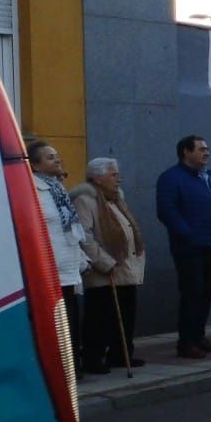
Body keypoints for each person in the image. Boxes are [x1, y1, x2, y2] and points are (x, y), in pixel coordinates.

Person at [156, 134, 211, 359]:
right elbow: (167, 211)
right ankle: (186, 342)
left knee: (207, 293)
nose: (206, 153)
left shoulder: (207, 177)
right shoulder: (172, 178)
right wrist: (188, 234)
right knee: (192, 294)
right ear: (186, 152)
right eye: (200, 149)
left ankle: (199, 336)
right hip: (190, 248)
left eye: (207, 149)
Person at [70, 157, 147, 376]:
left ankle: (121, 354)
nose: (118, 179)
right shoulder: (86, 200)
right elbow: (85, 236)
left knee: (126, 312)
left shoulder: (115, 198)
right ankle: (93, 358)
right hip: (103, 269)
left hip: (125, 265)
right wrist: (105, 262)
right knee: (99, 316)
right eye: (113, 174)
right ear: (98, 177)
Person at [28, 140, 86, 367]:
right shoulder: (33, 190)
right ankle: (59, 366)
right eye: (50, 157)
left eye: (57, 155)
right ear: (36, 165)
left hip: (68, 264)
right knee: (57, 321)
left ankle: (73, 364)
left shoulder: (58, 188)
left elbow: (70, 228)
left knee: (71, 318)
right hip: (49, 267)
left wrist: (82, 257)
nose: (58, 159)